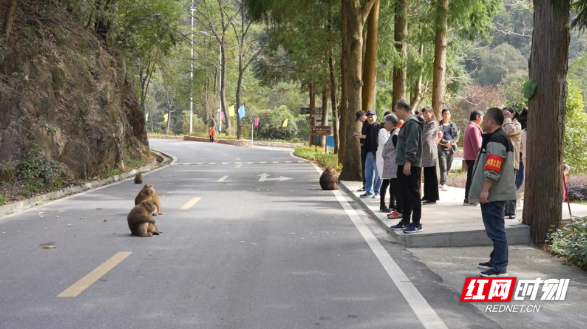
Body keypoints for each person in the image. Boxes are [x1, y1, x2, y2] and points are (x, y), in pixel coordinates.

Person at [468, 108, 516, 277]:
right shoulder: (497, 137)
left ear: (491, 121)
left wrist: (485, 190)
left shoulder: (496, 139)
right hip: (494, 192)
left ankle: (499, 267)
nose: (483, 122)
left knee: (496, 231)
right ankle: (495, 260)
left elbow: (493, 168)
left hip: (494, 193)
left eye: (485, 118)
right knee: (495, 229)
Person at [389, 100, 425, 234]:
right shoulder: (406, 124)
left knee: (412, 193)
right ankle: (405, 220)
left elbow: (412, 144)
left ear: (403, 110)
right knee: (403, 193)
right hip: (403, 163)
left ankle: (416, 223)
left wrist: (408, 162)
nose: (395, 112)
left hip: (410, 164)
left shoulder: (413, 124)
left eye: (396, 110)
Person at [356, 111, 381, 198]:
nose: (370, 118)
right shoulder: (368, 126)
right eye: (369, 117)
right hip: (368, 152)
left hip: (377, 153)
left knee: (378, 174)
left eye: (372, 116)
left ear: (376, 117)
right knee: (368, 173)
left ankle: (377, 192)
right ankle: (369, 191)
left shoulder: (378, 126)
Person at [502, 108, 522, 219]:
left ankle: (511, 210)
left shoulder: (517, 125)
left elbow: (510, 130)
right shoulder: (503, 124)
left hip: (512, 160)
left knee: (511, 185)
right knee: (503, 185)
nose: (504, 115)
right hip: (502, 159)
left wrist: (508, 119)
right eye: (503, 113)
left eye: (507, 113)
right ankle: (504, 209)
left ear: (513, 114)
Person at [378, 114, 400, 213]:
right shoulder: (392, 133)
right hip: (389, 163)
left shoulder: (395, 134)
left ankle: (392, 204)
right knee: (388, 182)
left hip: (393, 164)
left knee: (392, 184)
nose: (384, 124)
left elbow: (398, 150)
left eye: (385, 123)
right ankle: (387, 204)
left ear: (391, 124)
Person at [463, 110, 484, 206]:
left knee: (471, 178)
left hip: (470, 157)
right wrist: (480, 157)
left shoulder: (470, 127)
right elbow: (477, 145)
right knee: (473, 179)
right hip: (473, 157)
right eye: (482, 116)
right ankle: (470, 199)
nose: (482, 119)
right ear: (477, 117)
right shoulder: (473, 128)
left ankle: (468, 198)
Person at [420, 106, 439, 205]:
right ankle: (426, 195)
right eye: (424, 113)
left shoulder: (433, 123)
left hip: (430, 152)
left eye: (427, 112)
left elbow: (425, 137)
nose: (425, 115)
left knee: (431, 175)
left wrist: (416, 144)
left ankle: (433, 197)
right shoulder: (425, 123)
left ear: (431, 113)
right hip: (425, 152)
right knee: (426, 175)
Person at [438, 108, 459, 191]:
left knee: (449, 166)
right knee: (443, 166)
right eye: (445, 114)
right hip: (441, 148)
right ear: (442, 115)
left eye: (448, 114)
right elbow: (438, 136)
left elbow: (456, 136)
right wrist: (446, 142)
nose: (446, 115)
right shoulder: (439, 125)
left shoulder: (452, 125)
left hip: (451, 148)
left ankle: (443, 181)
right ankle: (444, 183)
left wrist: (451, 142)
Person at [354, 110, 368, 192]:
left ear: (363, 116)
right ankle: (365, 184)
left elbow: (368, 136)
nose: (359, 120)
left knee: (367, 168)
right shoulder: (364, 124)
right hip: (364, 147)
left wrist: (361, 136)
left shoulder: (369, 124)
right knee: (364, 167)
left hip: (367, 148)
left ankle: (367, 185)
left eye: (359, 118)